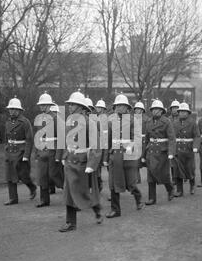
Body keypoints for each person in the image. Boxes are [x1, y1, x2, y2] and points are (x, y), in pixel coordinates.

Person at [59, 90, 103, 232]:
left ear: (80, 107)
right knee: (69, 192)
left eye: (73, 104)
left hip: (83, 163)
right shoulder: (69, 121)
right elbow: (66, 141)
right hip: (71, 161)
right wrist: (64, 156)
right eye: (70, 104)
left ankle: (97, 209)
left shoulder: (90, 123)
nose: (70, 106)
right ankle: (71, 222)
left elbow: (96, 145)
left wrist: (92, 165)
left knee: (84, 193)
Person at [103, 94, 144, 218]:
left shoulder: (133, 120)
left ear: (127, 108)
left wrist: (130, 147)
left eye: (123, 105)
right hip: (114, 156)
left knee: (130, 183)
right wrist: (105, 158)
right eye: (118, 105)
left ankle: (138, 197)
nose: (120, 107)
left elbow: (137, 138)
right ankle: (116, 210)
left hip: (128, 156)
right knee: (113, 183)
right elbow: (107, 140)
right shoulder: (110, 120)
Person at [4, 96, 37, 205]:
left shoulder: (25, 122)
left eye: (14, 109)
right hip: (10, 151)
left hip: (21, 152)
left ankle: (32, 187)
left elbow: (29, 140)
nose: (12, 111)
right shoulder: (8, 122)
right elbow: (7, 138)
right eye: (10, 109)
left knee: (23, 175)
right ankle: (13, 198)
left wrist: (26, 155)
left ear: (19, 110)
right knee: (10, 175)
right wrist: (6, 148)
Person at [142, 99, 176, 205]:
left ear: (162, 111)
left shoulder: (166, 122)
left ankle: (170, 189)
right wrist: (143, 154)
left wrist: (171, 153)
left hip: (162, 152)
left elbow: (171, 138)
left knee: (164, 175)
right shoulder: (148, 122)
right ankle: (152, 198)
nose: (155, 111)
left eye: (158, 109)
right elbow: (146, 140)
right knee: (150, 175)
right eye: (153, 109)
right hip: (151, 151)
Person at [33, 92, 64, 208]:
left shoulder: (56, 119)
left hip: (53, 151)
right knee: (42, 176)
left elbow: (61, 138)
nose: (42, 107)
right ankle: (44, 200)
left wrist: (58, 156)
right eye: (41, 105)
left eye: (44, 105)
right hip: (42, 151)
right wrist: (36, 152)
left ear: (49, 105)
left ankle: (70, 194)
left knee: (55, 176)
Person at [172, 102, 200, 197]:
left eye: (184, 112)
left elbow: (197, 136)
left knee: (190, 169)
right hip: (178, 150)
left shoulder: (193, 123)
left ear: (188, 113)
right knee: (178, 170)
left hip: (188, 150)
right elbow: (172, 137)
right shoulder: (174, 123)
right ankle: (180, 190)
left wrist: (195, 147)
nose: (182, 113)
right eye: (180, 112)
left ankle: (192, 186)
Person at [133, 101, 148, 184]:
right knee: (136, 161)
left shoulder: (147, 119)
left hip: (144, 141)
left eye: (138, 109)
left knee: (147, 160)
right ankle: (137, 178)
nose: (137, 110)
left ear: (142, 110)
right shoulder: (132, 119)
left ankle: (151, 177)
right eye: (136, 109)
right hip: (135, 141)